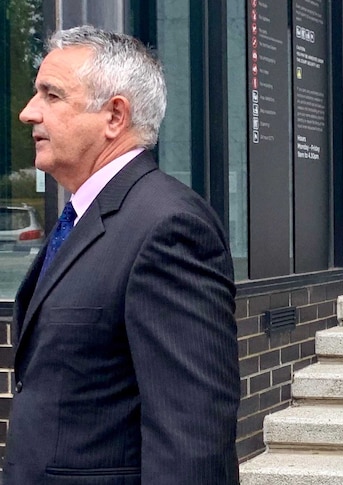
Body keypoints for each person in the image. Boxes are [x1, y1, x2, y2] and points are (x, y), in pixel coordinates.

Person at [7, 26, 240, 484]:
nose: (27, 112)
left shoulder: (168, 227)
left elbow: (192, 437)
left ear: (115, 115)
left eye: (51, 95)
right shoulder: (81, 215)